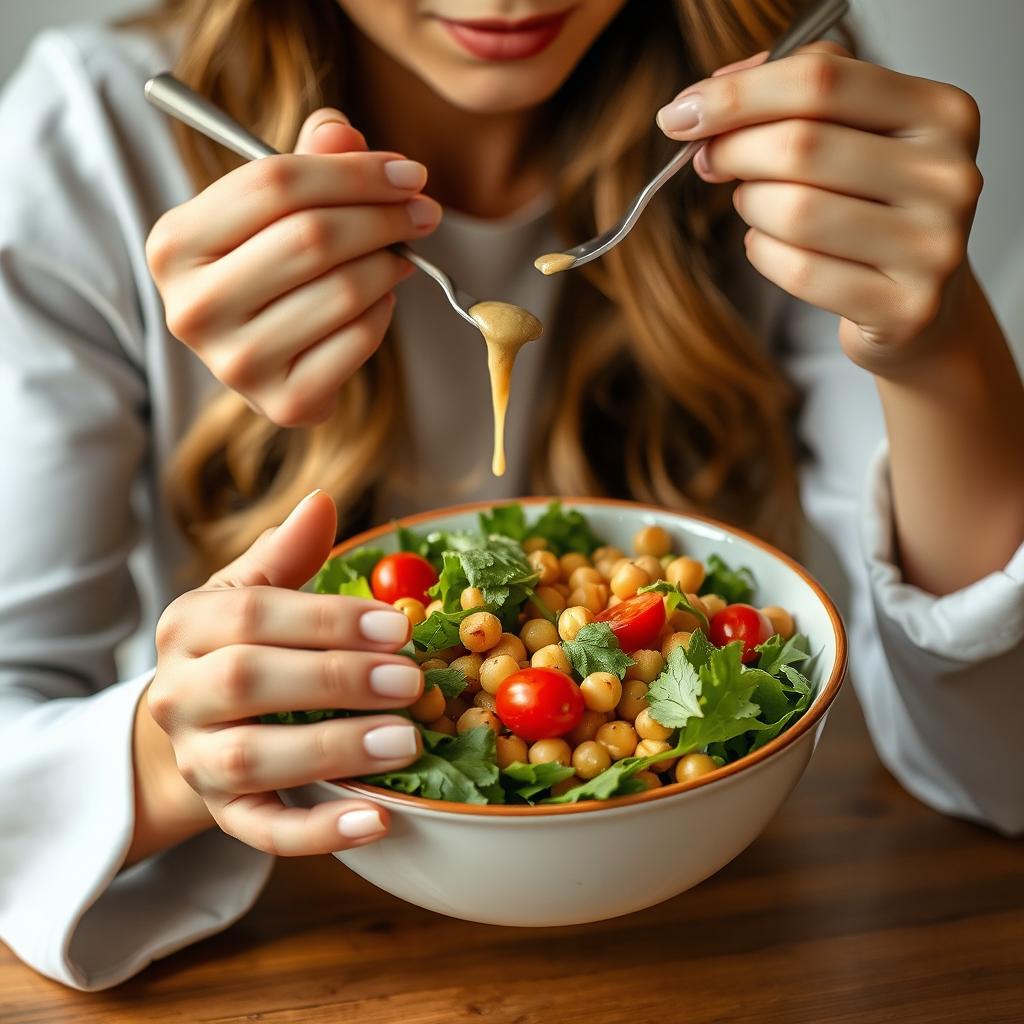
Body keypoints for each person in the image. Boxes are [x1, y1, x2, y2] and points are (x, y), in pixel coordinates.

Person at [0, 0, 1021, 992]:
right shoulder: (91, 140)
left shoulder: (779, 98)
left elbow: (999, 768)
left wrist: (938, 353)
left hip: (730, 944)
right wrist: (179, 749)